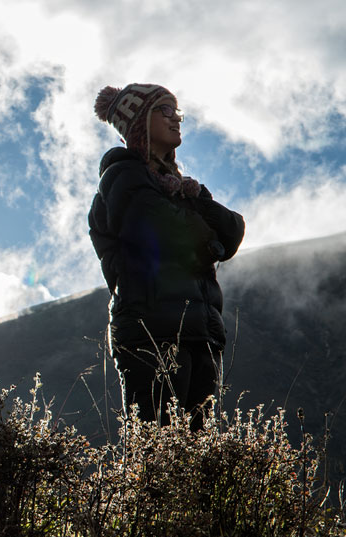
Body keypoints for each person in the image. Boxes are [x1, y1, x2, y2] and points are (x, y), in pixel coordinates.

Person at [89, 83, 245, 429]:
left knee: (195, 458)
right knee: (157, 452)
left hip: (200, 332)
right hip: (152, 332)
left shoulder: (182, 188)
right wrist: (206, 237)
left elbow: (232, 231)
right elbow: (169, 235)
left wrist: (194, 201)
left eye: (177, 112)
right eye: (165, 110)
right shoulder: (123, 178)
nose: (176, 120)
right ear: (140, 122)